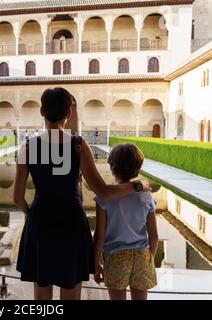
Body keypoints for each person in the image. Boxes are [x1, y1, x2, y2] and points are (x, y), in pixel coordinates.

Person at [13, 88, 150, 300]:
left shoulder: (28, 147)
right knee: (71, 291)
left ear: (42, 111)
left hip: (41, 222)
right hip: (71, 222)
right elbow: (103, 191)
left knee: (42, 294)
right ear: (68, 113)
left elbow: (17, 199)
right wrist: (136, 186)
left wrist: (32, 215)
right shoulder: (78, 145)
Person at [93, 143, 159, 300]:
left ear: (112, 167)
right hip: (142, 255)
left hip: (116, 257)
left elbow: (99, 236)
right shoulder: (146, 196)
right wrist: (149, 257)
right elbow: (154, 236)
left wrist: (95, 264)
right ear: (138, 168)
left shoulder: (104, 198)